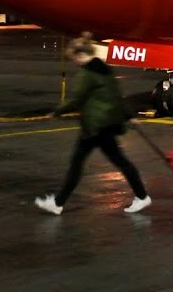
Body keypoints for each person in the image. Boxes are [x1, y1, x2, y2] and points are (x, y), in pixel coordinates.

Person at [35, 32, 151, 215]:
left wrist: (56, 111)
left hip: (95, 126)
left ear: (81, 55)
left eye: (74, 58)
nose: (74, 62)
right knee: (119, 162)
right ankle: (142, 196)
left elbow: (77, 100)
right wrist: (130, 116)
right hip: (107, 124)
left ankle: (58, 203)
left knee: (78, 164)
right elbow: (118, 96)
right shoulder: (105, 68)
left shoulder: (87, 73)